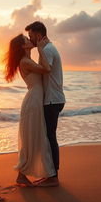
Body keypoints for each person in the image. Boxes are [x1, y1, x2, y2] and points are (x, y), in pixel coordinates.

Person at [4, 33, 58, 187]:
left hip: (35, 101)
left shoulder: (27, 60)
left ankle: (23, 175)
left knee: (34, 138)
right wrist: (41, 49)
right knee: (33, 138)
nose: (30, 40)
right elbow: (47, 69)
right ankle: (22, 175)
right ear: (23, 46)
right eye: (26, 40)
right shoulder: (25, 61)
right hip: (33, 102)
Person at [25, 21, 65, 185]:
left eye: (31, 36)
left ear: (39, 35)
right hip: (54, 99)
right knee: (49, 137)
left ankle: (53, 177)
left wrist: (38, 49)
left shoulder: (46, 49)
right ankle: (51, 174)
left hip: (52, 100)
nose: (30, 39)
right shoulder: (48, 49)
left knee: (50, 137)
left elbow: (46, 69)